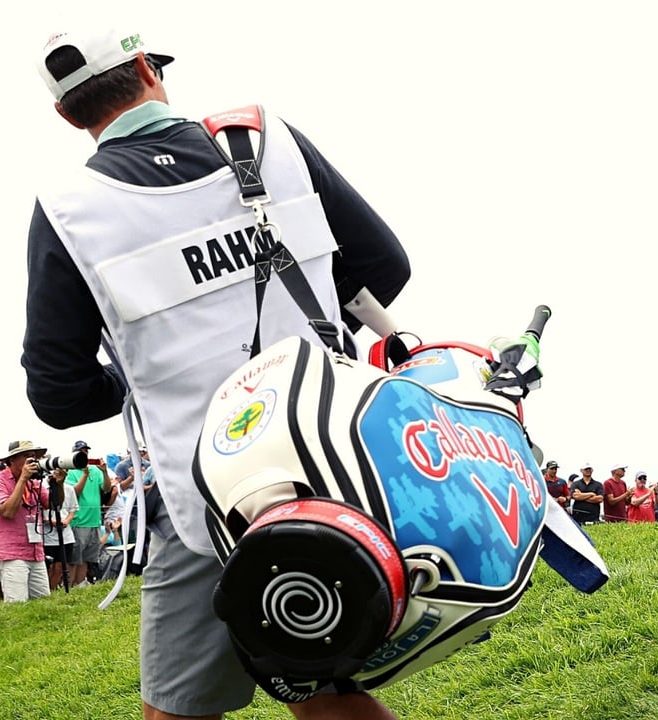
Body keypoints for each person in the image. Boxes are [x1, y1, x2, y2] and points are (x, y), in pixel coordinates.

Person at [24, 28, 409, 719]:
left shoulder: (68, 211)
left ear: (66, 115)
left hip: (208, 487)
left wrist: (139, 380)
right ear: (148, 69)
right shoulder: (268, 140)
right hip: (334, 458)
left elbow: (57, 393)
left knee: (175, 711)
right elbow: (385, 267)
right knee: (324, 690)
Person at [0, 441, 50, 603]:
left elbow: (54, 504)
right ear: (11, 460)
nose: (32, 461)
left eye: (34, 457)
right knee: (17, 605)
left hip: (35, 550)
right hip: (10, 551)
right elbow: (7, 511)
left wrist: (58, 484)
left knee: (43, 603)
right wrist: (23, 479)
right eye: (27, 456)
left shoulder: (35, 482)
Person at [64, 441, 112, 586]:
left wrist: (104, 471)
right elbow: (74, 492)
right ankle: (70, 588)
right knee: (74, 561)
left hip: (94, 520)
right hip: (78, 521)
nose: (84, 453)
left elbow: (106, 488)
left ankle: (79, 588)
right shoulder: (71, 471)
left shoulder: (96, 470)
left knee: (86, 559)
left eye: (86, 451)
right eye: (81, 451)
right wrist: (84, 474)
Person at [42, 468, 79, 591]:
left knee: (60, 567)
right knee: (49, 567)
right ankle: (45, 591)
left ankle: (53, 590)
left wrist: (67, 521)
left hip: (66, 535)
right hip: (47, 536)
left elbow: (72, 510)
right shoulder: (42, 488)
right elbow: (39, 513)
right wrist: (50, 521)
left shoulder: (69, 488)